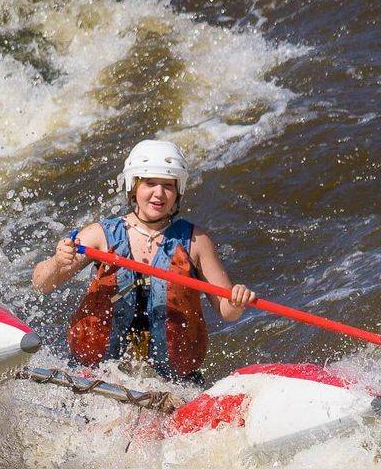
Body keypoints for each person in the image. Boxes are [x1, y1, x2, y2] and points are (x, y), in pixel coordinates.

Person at [31, 140, 256, 383]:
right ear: (133, 186)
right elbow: (41, 283)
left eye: (168, 186)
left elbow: (227, 311)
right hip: (97, 376)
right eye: (150, 183)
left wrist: (237, 300)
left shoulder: (196, 241)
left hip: (172, 384)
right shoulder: (100, 235)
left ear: (178, 191)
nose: (159, 193)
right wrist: (58, 262)